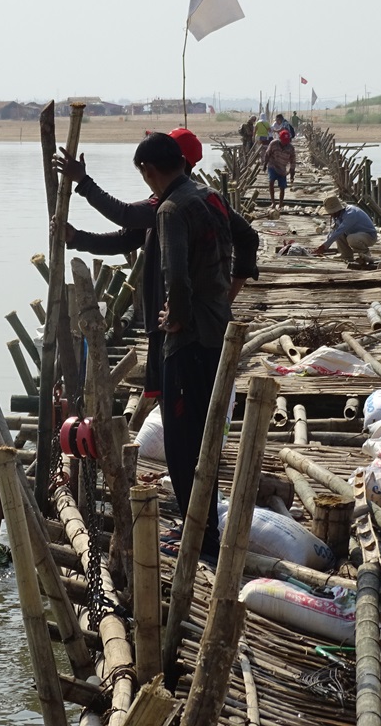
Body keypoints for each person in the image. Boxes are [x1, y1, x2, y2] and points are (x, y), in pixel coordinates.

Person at [52, 128, 259, 399]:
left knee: (181, 402)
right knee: (187, 401)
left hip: (178, 325)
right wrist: (77, 237)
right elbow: (126, 239)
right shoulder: (198, 198)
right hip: (186, 320)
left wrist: (83, 181)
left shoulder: (175, 205)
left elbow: (124, 215)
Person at [136, 132, 233, 562]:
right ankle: (204, 529)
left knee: (181, 445)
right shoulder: (206, 197)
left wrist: (174, 317)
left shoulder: (172, 209)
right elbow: (241, 245)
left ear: (150, 171)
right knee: (200, 436)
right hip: (214, 330)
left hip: (188, 340)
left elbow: (176, 275)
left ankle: (202, 537)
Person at [314, 195, 378, 262]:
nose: (331, 215)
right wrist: (323, 245)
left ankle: (365, 254)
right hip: (354, 234)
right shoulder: (337, 216)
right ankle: (346, 255)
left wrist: (324, 247)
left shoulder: (351, 213)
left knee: (351, 238)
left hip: (369, 236)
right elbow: (333, 232)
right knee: (337, 234)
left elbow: (341, 230)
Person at [264, 129, 296, 209]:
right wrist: (265, 164)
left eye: (287, 141)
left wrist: (292, 173)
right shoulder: (273, 143)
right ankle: (273, 202)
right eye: (284, 141)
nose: (285, 143)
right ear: (280, 139)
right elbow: (267, 154)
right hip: (273, 165)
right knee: (271, 182)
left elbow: (293, 161)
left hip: (282, 168)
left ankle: (280, 204)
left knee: (282, 187)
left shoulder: (290, 148)